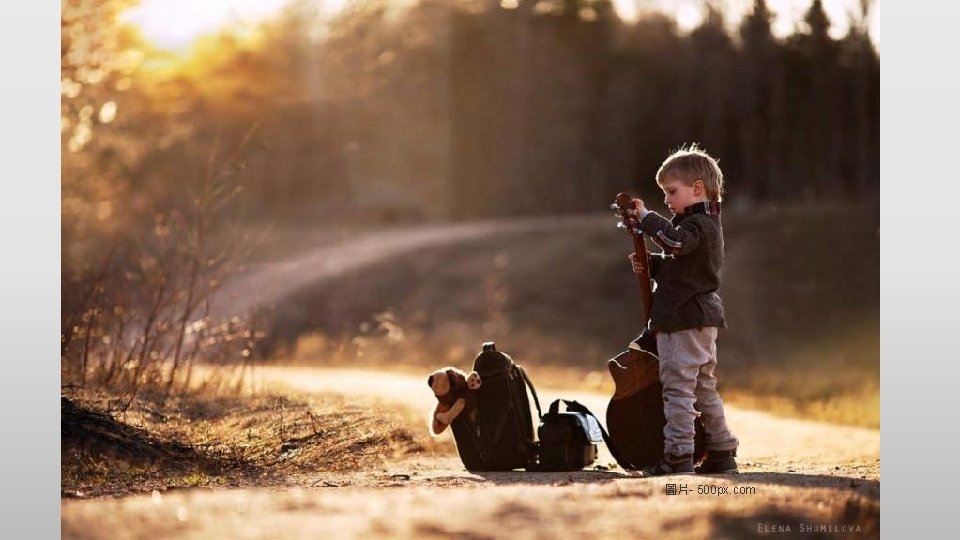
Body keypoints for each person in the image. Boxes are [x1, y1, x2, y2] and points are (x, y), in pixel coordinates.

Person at [625, 144, 739, 476]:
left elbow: (675, 242)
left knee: (677, 387)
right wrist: (651, 266)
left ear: (697, 188)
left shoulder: (698, 225)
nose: (666, 200)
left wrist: (647, 219)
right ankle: (721, 450)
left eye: (671, 191)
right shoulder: (701, 226)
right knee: (703, 387)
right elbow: (684, 267)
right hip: (700, 318)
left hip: (684, 320)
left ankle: (678, 455)